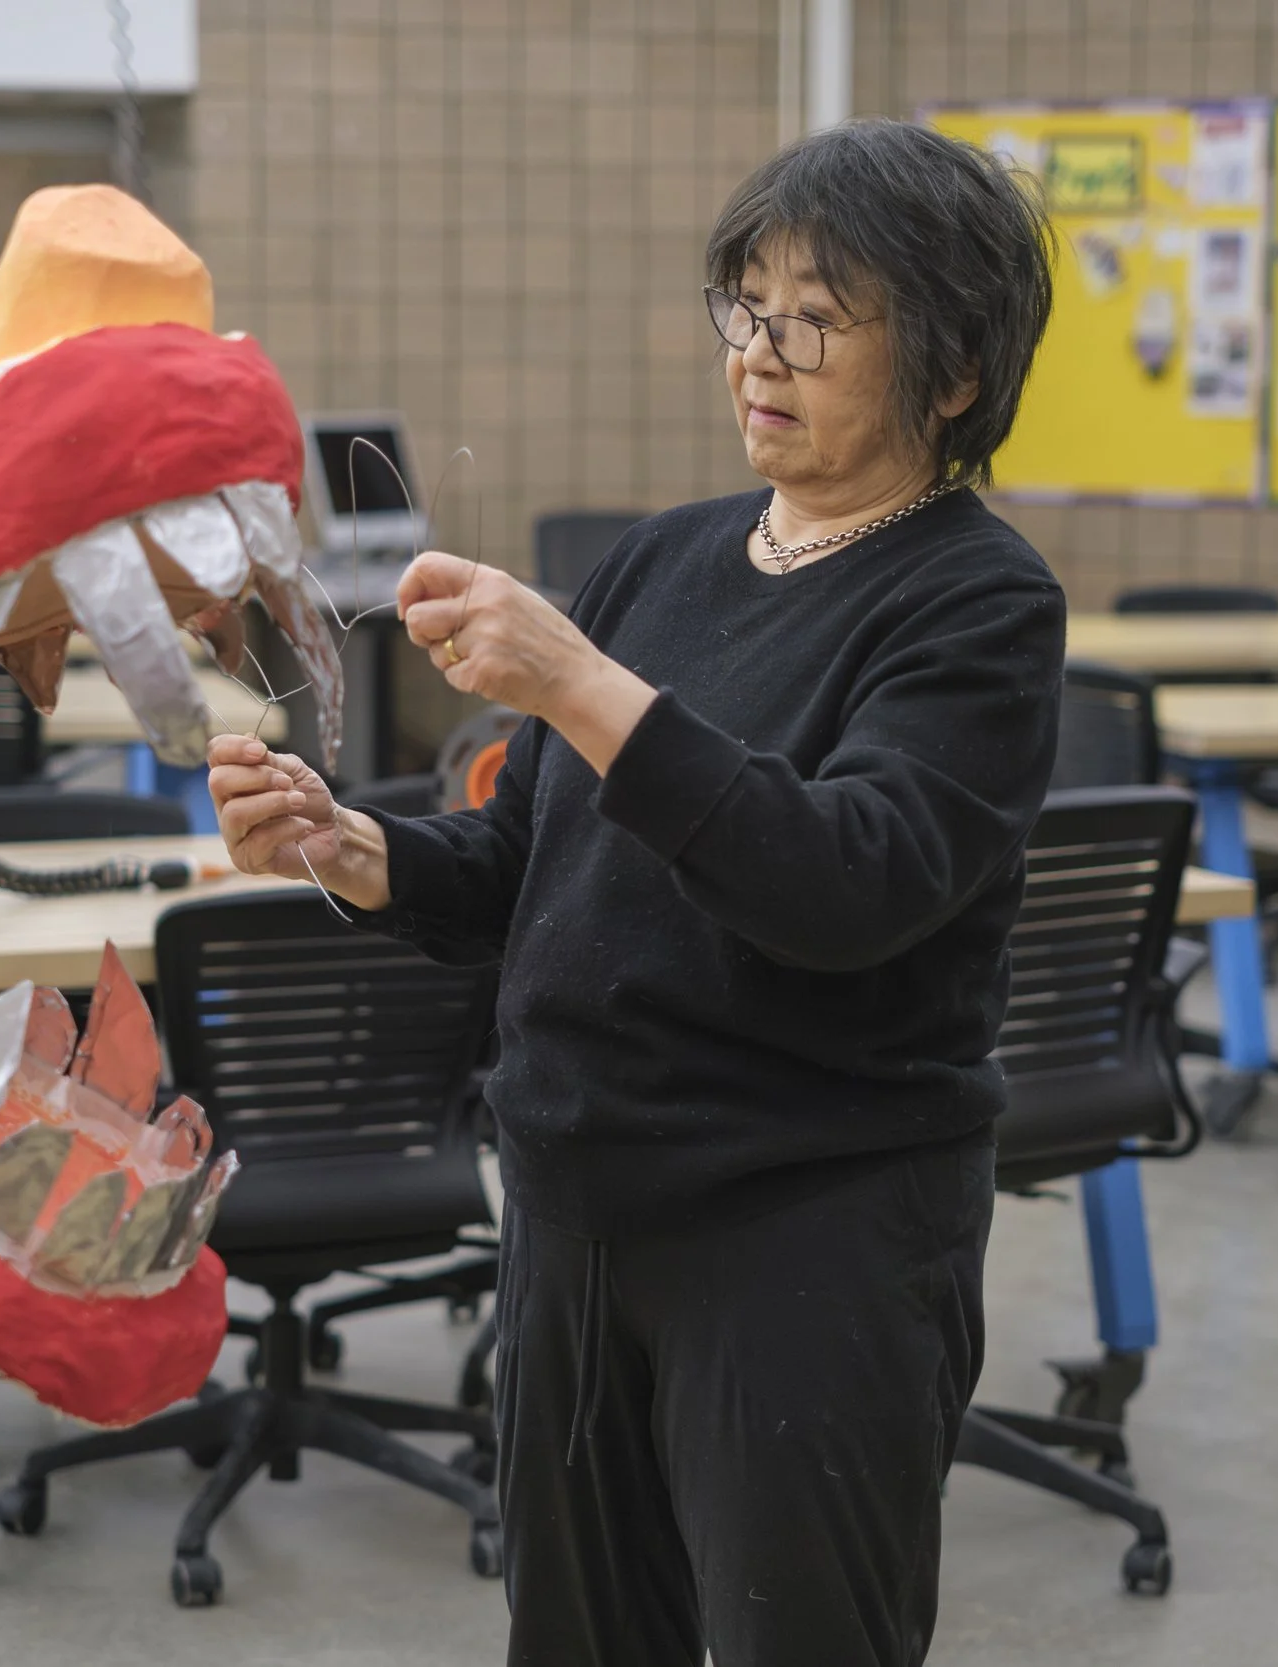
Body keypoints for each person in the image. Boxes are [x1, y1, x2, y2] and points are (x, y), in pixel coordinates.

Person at [209, 118, 1062, 1667]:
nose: (761, 352)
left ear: (949, 372)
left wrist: (585, 684)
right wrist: (356, 849)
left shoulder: (976, 599)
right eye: (748, 305)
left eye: (817, 317)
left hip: (811, 1234)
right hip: (576, 1217)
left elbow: (844, 883)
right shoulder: (661, 560)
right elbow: (533, 867)